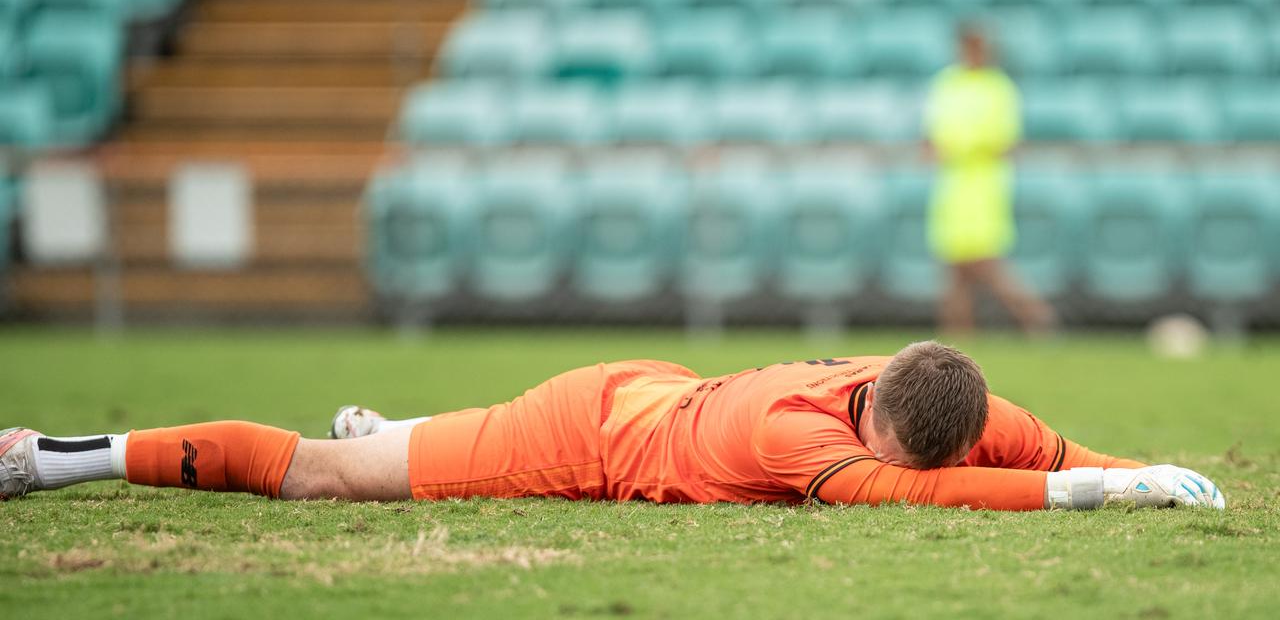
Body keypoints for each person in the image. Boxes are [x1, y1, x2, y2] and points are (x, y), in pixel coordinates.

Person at [1, 341, 1223, 511]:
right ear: (878, 428)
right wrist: (1095, 499)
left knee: (400, 440)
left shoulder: (939, 396)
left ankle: (405, 423)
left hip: (662, 389)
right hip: (586, 434)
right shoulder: (812, 446)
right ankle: (61, 457)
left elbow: (1041, 448)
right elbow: (906, 496)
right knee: (323, 478)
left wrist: (1141, 468)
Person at [924, 24, 1056, 336]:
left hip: (983, 185)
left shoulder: (999, 88)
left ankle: (1036, 317)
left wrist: (963, 148)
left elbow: (1004, 142)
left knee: (984, 261)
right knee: (953, 267)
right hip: (952, 185)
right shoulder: (947, 83)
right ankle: (959, 337)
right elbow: (933, 136)